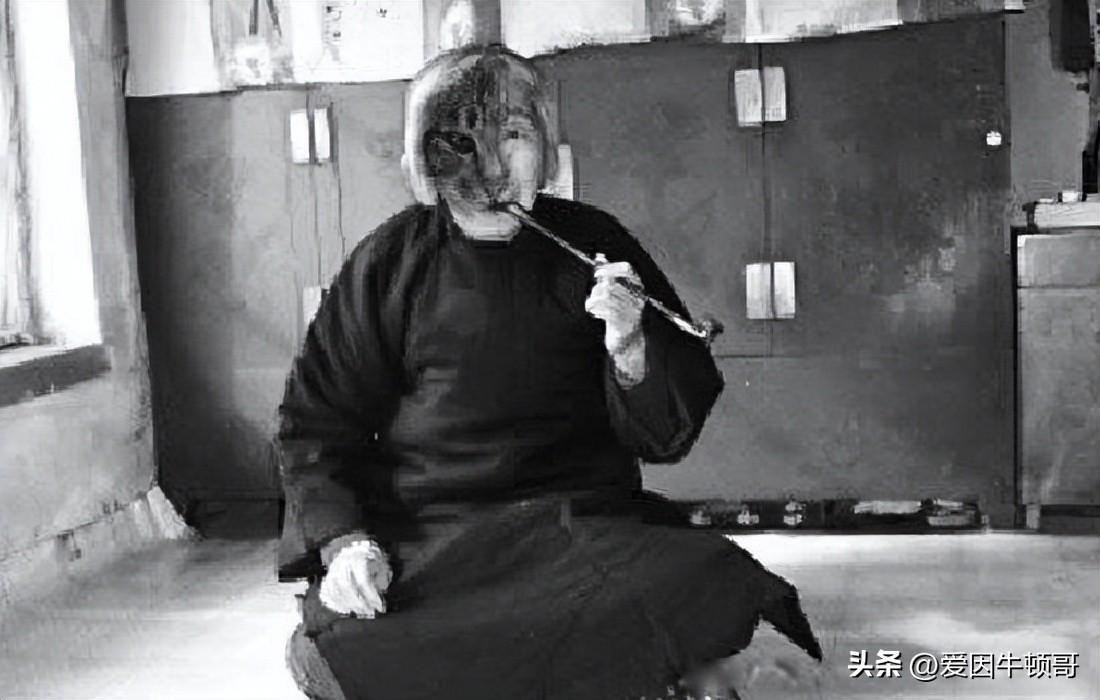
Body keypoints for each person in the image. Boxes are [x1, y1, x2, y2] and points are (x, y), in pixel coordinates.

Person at [278, 44, 820, 700]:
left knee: (707, 577)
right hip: (435, 536)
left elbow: (664, 437)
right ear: (424, 159)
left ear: (548, 149)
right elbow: (315, 423)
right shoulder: (388, 263)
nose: (491, 163)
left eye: (513, 133)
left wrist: (630, 345)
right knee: (338, 642)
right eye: (462, 139)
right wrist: (345, 545)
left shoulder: (597, 246)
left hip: (582, 527)